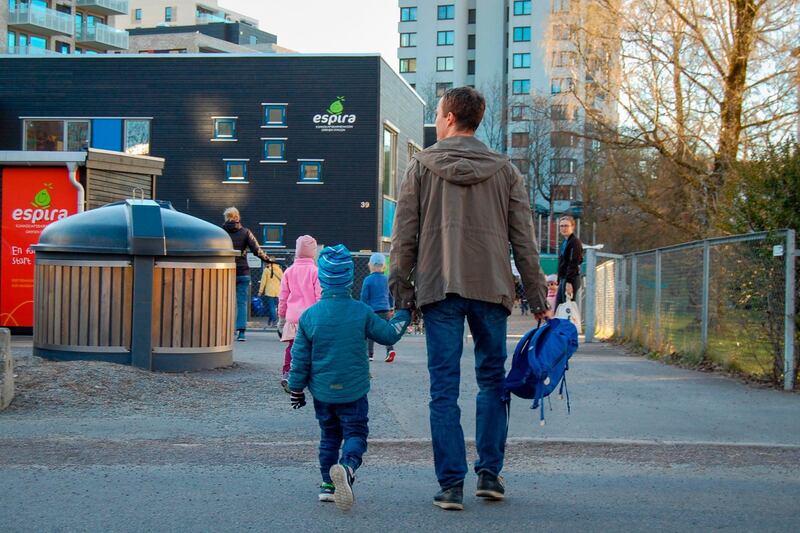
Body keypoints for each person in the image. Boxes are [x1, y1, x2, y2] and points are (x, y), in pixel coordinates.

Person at [389, 86, 548, 511]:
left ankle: (450, 485)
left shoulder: (420, 167)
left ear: (450, 118)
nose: (437, 121)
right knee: (492, 382)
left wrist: (401, 291)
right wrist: (536, 296)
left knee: (444, 388)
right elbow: (524, 242)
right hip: (492, 288)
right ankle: (490, 475)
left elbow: (404, 236)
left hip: (439, 288)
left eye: (439, 114)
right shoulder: (506, 171)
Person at [288, 245, 411, 511]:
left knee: (329, 436)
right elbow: (389, 335)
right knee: (356, 433)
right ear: (347, 278)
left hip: (322, 391)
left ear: (322, 278)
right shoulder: (361, 312)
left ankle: (327, 485)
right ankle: (348, 467)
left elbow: (300, 358)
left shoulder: (309, 316)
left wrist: (296, 389)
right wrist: (404, 313)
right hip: (354, 389)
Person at [277, 235, 321, 393]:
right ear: (313, 253)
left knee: (292, 348)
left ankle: (288, 373)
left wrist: (281, 318)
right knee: (312, 349)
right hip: (311, 319)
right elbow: (319, 297)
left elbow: (283, 297)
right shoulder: (316, 272)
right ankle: (311, 377)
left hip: (293, 318)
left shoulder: (289, 272)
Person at [222, 207, 270, 342]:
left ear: (226, 218)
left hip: (226, 271)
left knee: (225, 302)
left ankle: (226, 329)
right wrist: (269, 260)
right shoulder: (245, 232)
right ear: (238, 217)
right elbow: (257, 250)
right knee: (241, 303)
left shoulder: (220, 233)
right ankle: (241, 332)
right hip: (242, 271)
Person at [360, 252, 397, 363]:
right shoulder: (387, 279)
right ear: (384, 266)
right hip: (385, 310)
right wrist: (391, 308)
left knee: (370, 332)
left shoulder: (368, 280)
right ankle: (390, 350)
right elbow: (391, 295)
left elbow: (364, 297)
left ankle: (370, 354)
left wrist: (363, 309)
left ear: (370, 265)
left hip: (372, 311)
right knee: (385, 332)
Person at [556, 215, 584, 306]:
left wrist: (569, 282)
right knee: (560, 307)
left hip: (570, 279)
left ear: (572, 227)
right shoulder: (565, 242)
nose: (563, 228)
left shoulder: (575, 242)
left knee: (568, 308)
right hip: (563, 278)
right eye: (561, 226)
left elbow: (574, 262)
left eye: (566, 226)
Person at [258, 259, 284, 327]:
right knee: (276, 307)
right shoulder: (279, 269)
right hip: (278, 291)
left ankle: (274, 320)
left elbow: (263, 282)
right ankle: (271, 320)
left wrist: (260, 291)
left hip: (269, 291)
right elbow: (283, 280)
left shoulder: (266, 270)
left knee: (271, 307)